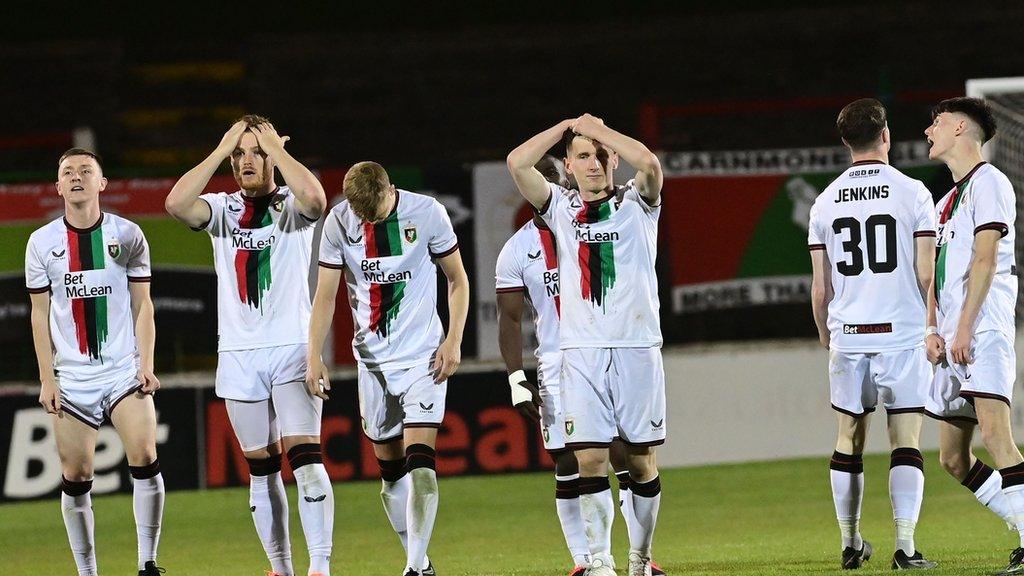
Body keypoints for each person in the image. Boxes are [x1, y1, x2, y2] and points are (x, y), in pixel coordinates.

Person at [165, 116, 331, 576]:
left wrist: (275, 149)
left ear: (273, 154)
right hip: (239, 354)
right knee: (262, 467)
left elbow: (318, 199)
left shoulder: (292, 206)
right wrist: (220, 150)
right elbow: (176, 204)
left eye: (253, 152)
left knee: (305, 458)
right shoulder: (220, 209)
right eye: (239, 155)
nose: (245, 162)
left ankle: (320, 566)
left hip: (293, 347)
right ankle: (281, 568)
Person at [507, 115, 665, 576]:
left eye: (600, 155)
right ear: (569, 166)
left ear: (613, 159)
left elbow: (650, 163)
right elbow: (518, 162)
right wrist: (565, 128)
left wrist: (601, 132)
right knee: (590, 458)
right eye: (582, 156)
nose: (593, 163)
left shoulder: (639, 201)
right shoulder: (559, 207)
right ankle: (600, 561)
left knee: (640, 461)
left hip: (638, 348)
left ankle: (640, 557)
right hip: (582, 354)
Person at [307, 161, 469, 576]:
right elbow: (325, 296)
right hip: (372, 363)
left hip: (423, 358)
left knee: (422, 466)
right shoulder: (339, 222)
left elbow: (457, 279)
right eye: (361, 213)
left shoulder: (427, 212)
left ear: (390, 188)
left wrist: (453, 340)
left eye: (374, 211)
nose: (368, 220)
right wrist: (314, 355)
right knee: (391, 474)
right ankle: (422, 561)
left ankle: (414, 568)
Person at [808, 98, 938, 570]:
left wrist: (826, 330)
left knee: (848, 438)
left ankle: (850, 543)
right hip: (902, 334)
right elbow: (928, 273)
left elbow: (820, 286)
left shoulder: (824, 201)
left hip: (850, 335)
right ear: (885, 136)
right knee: (906, 439)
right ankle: (905, 548)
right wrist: (933, 327)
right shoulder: (914, 193)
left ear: (845, 142)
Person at [26, 148, 165, 576]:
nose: (76, 177)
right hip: (73, 378)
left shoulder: (128, 235)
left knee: (143, 454)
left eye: (86, 170)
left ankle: (147, 562)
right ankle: (88, 572)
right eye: (67, 171)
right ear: (58, 186)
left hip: (123, 369)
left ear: (102, 184)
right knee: (76, 474)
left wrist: (146, 362)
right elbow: (39, 314)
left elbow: (144, 306)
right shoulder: (41, 243)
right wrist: (47, 379)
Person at [923, 96, 1024, 575]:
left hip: (982, 327)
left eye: (936, 123)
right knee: (952, 458)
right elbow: (935, 275)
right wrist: (932, 327)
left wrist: (964, 325)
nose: (928, 131)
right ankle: (1023, 521)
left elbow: (985, 257)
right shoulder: (945, 201)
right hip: (950, 338)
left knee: (997, 438)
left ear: (961, 128)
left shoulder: (991, 183)